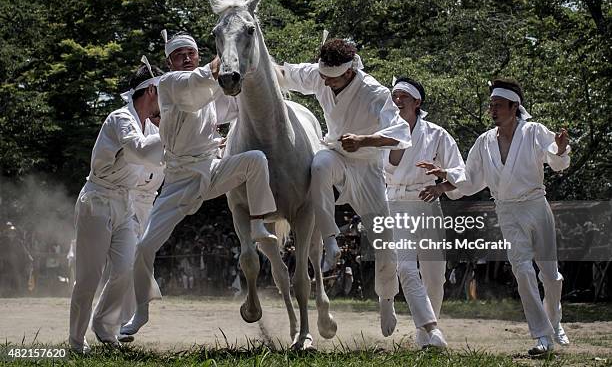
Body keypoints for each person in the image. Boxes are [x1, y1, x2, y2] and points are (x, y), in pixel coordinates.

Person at [121, 30, 278, 337]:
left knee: (256, 160)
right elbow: (198, 85)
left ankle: (259, 224)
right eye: (179, 55)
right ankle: (141, 312)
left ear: (197, 53)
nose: (187, 58)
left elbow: (235, 105)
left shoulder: (209, 91)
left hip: (212, 170)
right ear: (169, 62)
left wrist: (261, 77)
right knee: (143, 248)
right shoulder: (169, 84)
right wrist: (233, 48)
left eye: (190, 53)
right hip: (179, 181)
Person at [420, 78, 570, 355]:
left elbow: (557, 161)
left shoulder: (534, 131)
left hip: (537, 205)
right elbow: (470, 178)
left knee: (550, 275)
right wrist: (443, 180)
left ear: (514, 107)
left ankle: (555, 320)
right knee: (523, 270)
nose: (493, 110)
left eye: (499, 105)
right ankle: (543, 336)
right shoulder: (484, 141)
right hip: (506, 209)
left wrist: (560, 149)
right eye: (491, 105)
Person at [281, 38, 411, 337]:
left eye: (332, 78)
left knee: (384, 239)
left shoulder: (375, 92)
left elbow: (401, 133)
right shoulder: (320, 75)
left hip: (366, 166)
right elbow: (284, 74)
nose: (325, 83)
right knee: (319, 165)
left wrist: (365, 140)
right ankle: (331, 240)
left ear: (350, 71)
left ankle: (387, 298)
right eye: (323, 77)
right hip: (337, 153)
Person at [69, 60, 165, 353]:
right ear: (151, 91)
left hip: (124, 203)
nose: (168, 101)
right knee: (88, 277)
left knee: (126, 269)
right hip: (97, 200)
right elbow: (138, 149)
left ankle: (104, 325)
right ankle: (75, 341)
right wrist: (171, 134)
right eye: (164, 93)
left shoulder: (150, 124)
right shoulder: (120, 118)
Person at [384, 77, 465, 348]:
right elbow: (378, 170)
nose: (397, 101)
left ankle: (425, 334)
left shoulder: (437, 134)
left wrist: (441, 185)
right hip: (396, 203)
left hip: (428, 202)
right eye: (394, 96)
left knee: (434, 274)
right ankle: (431, 329)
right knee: (405, 267)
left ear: (417, 102)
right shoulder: (384, 133)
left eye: (403, 97)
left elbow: (460, 172)